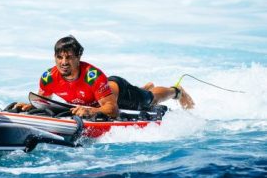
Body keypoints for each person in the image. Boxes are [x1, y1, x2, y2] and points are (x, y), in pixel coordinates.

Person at [14, 36, 195, 118]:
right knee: (143, 93)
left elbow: (113, 110)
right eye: (59, 57)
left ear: (78, 58)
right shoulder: (48, 77)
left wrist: (92, 111)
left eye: (69, 57)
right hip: (102, 96)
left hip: (119, 92)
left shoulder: (92, 76)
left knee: (149, 100)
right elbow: (45, 100)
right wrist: (31, 106)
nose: (63, 62)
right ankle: (143, 88)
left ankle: (176, 91)